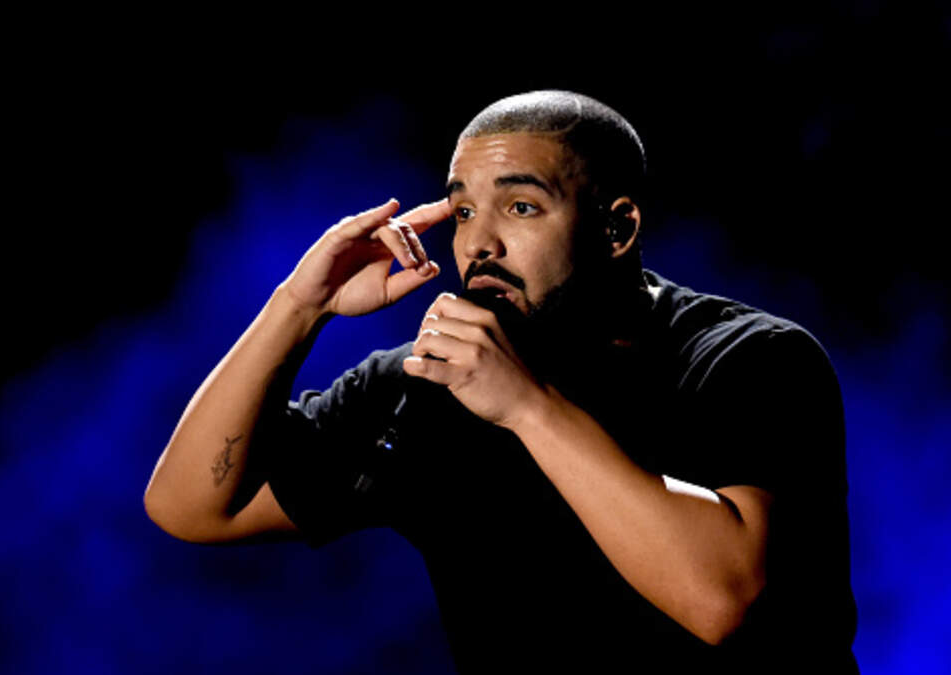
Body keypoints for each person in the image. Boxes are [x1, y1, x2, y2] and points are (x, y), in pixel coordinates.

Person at [144, 90, 859, 673]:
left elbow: (723, 600)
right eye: (462, 211)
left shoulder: (754, 358)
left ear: (616, 230)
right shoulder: (424, 386)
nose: (477, 243)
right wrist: (299, 307)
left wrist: (524, 406)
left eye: (520, 207)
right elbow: (189, 508)